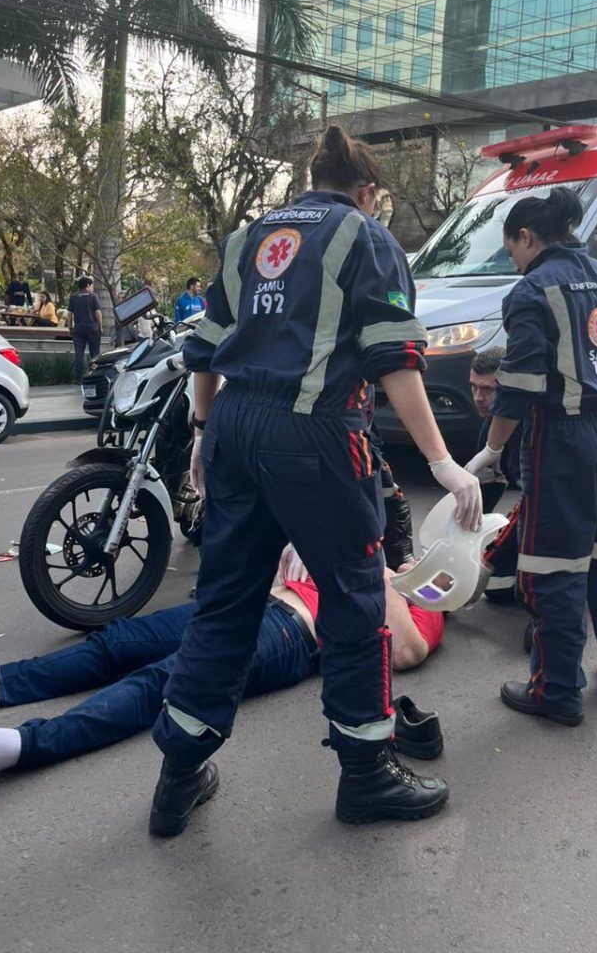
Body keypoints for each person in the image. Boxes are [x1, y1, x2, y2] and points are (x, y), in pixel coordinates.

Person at [149, 124, 481, 836]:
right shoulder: (365, 236)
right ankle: (366, 775)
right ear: (366, 191)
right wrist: (441, 461)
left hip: (235, 424)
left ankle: (178, 776)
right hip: (317, 434)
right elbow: (395, 359)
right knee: (356, 600)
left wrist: (204, 435)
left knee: (225, 601)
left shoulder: (248, 240)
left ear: (311, 181)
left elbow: (204, 347)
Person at [0, 543, 444, 775]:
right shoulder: (351, 554)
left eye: (437, 566)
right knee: (117, 642)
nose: (422, 560)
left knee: (161, 683)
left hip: (291, 636)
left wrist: (386, 579)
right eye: (423, 554)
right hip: (246, 604)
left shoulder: (423, 606)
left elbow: (409, 652)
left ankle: (29, 745)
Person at [470, 187, 597, 727]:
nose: (514, 261)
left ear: (527, 238)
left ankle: (555, 690)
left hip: (566, 440)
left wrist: (492, 447)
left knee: (554, 567)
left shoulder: (533, 290)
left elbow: (520, 384)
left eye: (511, 250)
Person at [465, 347, 523, 604]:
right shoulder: (490, 427)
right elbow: (485, 494)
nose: (478, 397)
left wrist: (488, 559)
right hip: (541, 507)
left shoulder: (534, 428)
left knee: (543, 576)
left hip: (567, 514)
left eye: (487, 389)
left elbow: (535, 507)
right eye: (474, 387)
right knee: (498, 589)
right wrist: (453, 551)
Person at [67, 276, 103, 380]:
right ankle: (93, 376)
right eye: (91, 285)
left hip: (78, 329)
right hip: (92, 328)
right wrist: (100, 327)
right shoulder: (93, 296)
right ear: (87, 286)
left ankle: (78, 377)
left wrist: (70, 327)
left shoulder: (73, 297)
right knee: (94, 354)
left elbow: (69, 314)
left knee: (79, 354)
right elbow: (98, 313)